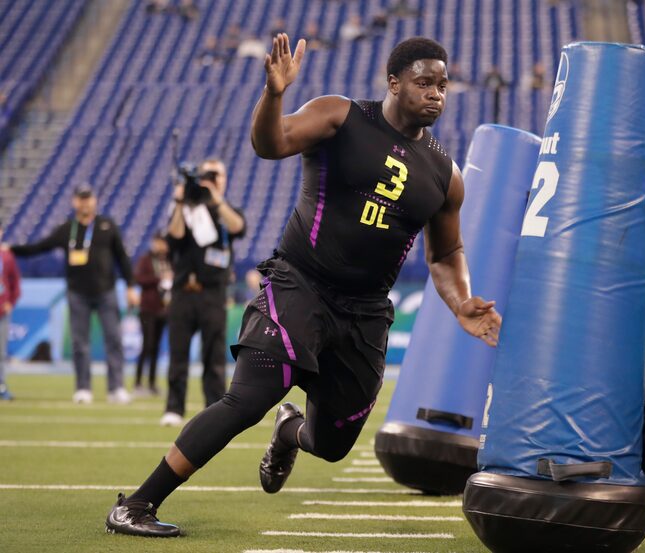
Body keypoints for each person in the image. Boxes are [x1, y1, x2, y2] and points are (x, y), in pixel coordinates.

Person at [105, 34, 501, 538]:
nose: (436, 93)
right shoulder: (340, 116)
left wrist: (462, 300)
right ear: (394, 82)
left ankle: (290, 431)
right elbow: (269, 144)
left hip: (365, 314)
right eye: (424, 82)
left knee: (333, 444)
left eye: (443, 85)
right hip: (300, 286)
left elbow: (445, 254)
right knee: (248, 398)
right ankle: (136, 504)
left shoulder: (446, 175)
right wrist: (274, 95)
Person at [11, 185, 137, 404]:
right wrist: (11, 249)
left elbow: (122, 258)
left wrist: (130, 286)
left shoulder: (107, 226)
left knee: (114, 340)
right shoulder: (66, 229)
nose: (85, 202)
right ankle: (83, 388)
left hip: (106, 291)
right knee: (80, 343)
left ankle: (116, 387)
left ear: (94, 201)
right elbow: (40, 247)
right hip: (78, 293)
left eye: (88, 198)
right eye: (81, 198)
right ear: (74, 202)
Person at [160, 159, 245, 426]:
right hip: (184, 292)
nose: (211, 178)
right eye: (206, 174)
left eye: (216, 174)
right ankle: (174, 408)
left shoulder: (224, 209)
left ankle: (215, 409)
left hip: (213, 292)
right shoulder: (188, 208)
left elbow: (238, 227)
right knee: (178, 353)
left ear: (224, 179)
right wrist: (179, 202)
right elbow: (173, 236)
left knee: (214, 354)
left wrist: (216, 197)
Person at [133, 231, 172, 396]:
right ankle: (137, 383)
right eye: (158, 242)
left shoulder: (170, 260)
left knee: (156, 348)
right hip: (148, 309)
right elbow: (139, 279)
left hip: (164, 309)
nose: (160, 245)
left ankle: (152, 383)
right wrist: (159, 278)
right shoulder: (146, 259)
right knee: (147, 346)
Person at [0, 221, 21, 400]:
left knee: (0, 351)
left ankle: (0, 386)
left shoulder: (7, 256)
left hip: (2, 311)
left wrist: (10, 302)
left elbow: (16, 284)